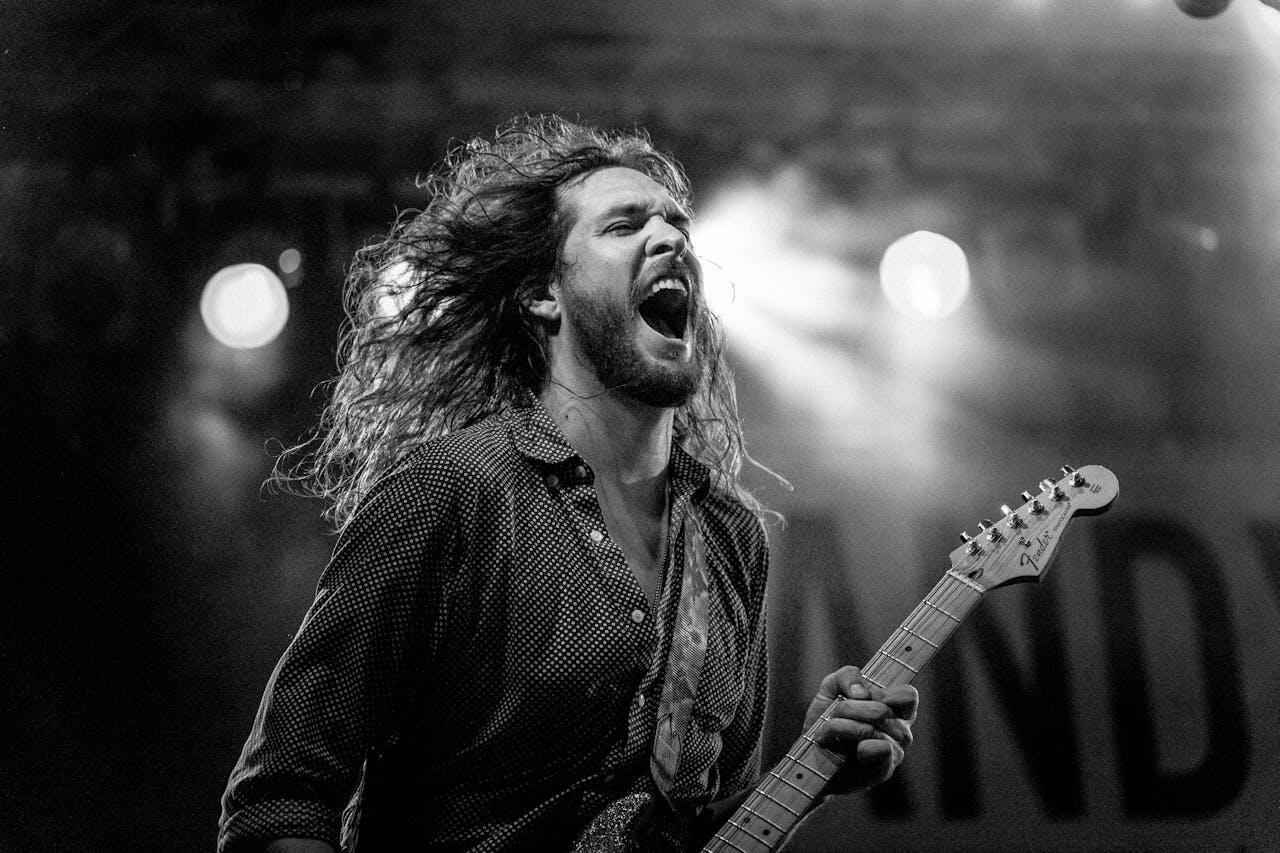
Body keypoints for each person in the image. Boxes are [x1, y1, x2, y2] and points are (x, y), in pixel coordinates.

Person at [218, 114, 918, 853]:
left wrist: (814, 766)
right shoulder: (453, 490)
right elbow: (280, 800)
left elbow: (704, 827)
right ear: (540, 296)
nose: (671, 238)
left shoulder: (730, 537)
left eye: (678, 222)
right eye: (624, 225)